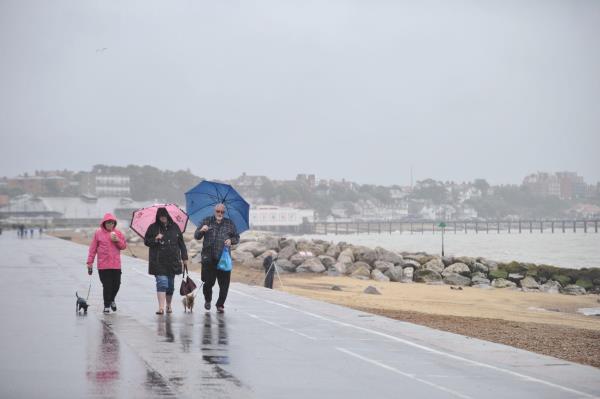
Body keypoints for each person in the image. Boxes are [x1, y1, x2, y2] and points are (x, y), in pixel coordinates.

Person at [194, 204, 239, 313]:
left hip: (223, 259)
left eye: (222, 212)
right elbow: (196, 236)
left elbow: (236, 238)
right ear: (214, 211)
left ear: (224, 213)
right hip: (208, 258)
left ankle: (220, 304)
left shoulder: (230, 223)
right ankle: (208, 300)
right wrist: (202, 230)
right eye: (218, 211)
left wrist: (231, 241)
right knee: (208, 282)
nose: (220, 214)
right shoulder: (207, 221)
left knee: (224, 284)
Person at [144, 207, 188, 315]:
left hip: (173, 260)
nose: (162, 218)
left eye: (164, 215)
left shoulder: (175, 227)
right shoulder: (153, 228)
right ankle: (161, 308)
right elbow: (146, 241)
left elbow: (181, 243)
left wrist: (185, 258)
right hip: (158, 261)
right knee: (162, 282)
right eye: (160, 216)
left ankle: (168, 305)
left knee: (170, 285)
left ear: (168, 215)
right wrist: (155, 239)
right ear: (158, 217)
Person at [87, 213, 127, 313]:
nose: (110, 224)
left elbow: (123, 246)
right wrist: (89, 262)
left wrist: (117, 240)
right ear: (104, 223)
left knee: (117, 285)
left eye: (112, 223)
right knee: (107, 286)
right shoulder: (98, 233)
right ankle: (106, 305)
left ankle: (112, 299)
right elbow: (93, 249)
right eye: (108, 222)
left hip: (116, 265)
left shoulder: (118, 233)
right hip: (103, 265)